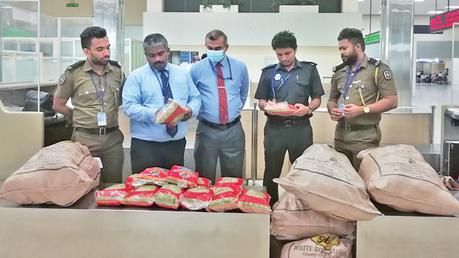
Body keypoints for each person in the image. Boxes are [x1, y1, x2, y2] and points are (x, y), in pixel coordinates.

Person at [255, 30, 324, 206]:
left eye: (288, 53)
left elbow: (317, 99)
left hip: (300, 128)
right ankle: (269, 208)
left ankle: (302, 207)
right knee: (271, 171)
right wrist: (268, 107)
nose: (284, 58)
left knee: (302, 171)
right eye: (279, 54)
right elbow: (261, 101)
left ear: (295, 50)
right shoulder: (268, 72)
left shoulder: (309, 70)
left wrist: (307, 108)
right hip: (274, 129)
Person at [53, 26, 125, 184]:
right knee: (84, 186)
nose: (106, 53)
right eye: (99, 49)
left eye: (108, 48)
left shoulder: (117, 72)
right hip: (85, 140)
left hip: (112, 140)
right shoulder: (73, 73)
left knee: (114, 186)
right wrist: (78, 116)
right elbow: (58, 105)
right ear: (86, 51)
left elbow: (122, 100)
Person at [122, 33, 200, 173]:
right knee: (144, 190)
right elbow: (129, 107)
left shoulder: (182, 74)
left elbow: (196, 98)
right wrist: (155, 114)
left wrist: (190, 110)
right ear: (146, 55)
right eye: (152, 55)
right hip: (145, 146)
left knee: (173, 189)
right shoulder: (136, 77)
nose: (157, 59)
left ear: (168, 51)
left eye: (161, 53)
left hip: (176, 145)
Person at [327, 28, 398, 170]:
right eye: (339, 49)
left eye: (344, 48)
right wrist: (332, 110)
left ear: (358, 46)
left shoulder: (377, 69)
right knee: (343, 182)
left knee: (365, 181)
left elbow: (392, 101)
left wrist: (362, 110)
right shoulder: (339, 71)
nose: (341, 52)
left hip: (365, 138)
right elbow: (332, 99)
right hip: (341, 137)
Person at [189, 29, 249, 183]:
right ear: (205, 46)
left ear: (226, 47)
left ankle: (230, 207)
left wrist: (230, 111)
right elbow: (191, 96)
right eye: (210, 48)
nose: (213, 51)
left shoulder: (240, 67)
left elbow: (243, 93)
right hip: (207, 130)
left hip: (233, 130)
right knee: (203, 177)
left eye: (217, 49)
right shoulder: (196, 70)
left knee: (233, 178)